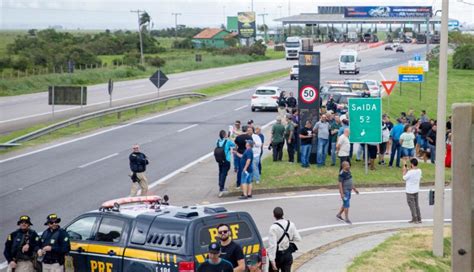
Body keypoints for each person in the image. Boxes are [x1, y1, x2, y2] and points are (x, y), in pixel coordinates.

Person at [268, 207, 301, 272]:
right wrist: (289, 238)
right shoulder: (291, 224)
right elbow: (298, 239)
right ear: (283, 214)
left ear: (274, 215)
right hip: (288, 254)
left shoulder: (273, 228)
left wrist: (272, 261)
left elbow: (273, 246)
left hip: (278, 255)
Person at [216, 130, 236, 197]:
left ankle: (220, 184)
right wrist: (228, 138)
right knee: (224, 173)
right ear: (225, 135)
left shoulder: (218, 141)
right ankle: (221, 187)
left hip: (219, 160)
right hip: (226, 159)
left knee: (221, 172)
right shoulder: (227, 141)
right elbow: (234, 144)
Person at [402, 158, 422, 223]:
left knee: (412, 206)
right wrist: (407, 169)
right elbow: (411, 172)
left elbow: (404, 177)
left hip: (410, 191)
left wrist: (404, 170)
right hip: (416, 190)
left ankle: (415, 218)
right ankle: (419, 218)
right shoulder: (419, 171)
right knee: (416, 205)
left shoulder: (410, 172)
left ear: (412, 164)